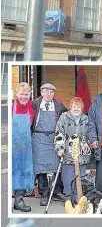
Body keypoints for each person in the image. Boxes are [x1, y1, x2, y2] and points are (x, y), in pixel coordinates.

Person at [31, 83, 67, 206]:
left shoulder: (58, 106)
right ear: (41, 92)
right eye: (46, 91)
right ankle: (44, 193)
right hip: (38, 139)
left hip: (53, 138)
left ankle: (56, 191)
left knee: (56, 166)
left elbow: (66, 118)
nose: (48, 94)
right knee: (41, 168)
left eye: (51, 92)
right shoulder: (34, 104)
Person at [54, 97, 91, 203]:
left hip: (82, 153)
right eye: (74, 106)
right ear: (70, 107)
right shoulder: (64, 118)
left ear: (82, 108)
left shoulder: (86, 119)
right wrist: (60, 148)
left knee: (81, 176)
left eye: (78, 107)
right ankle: (68, 196)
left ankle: (78, 196)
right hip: (68, 152)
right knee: (67, 176)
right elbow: (59, 133)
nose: (76, 109)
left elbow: (90, 134)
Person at [12, 83, 34, 212]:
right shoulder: (10, 107)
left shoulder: (32, 107)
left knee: (24, 171)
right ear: (17, 94)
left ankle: (19, 200)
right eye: (22, 94)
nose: (24, 97)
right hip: (13, 145)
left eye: (27, 94)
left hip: (25, 146)